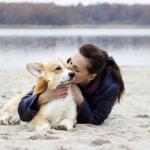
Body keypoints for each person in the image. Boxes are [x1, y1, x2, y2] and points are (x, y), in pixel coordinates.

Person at [18, 44, 125, 125]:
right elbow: (22, 111)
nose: (68, 69)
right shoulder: (62, 71)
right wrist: (41, 98)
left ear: (91, 77)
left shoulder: (110, 87)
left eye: (76, 69)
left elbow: (96, 119)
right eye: (70, 62)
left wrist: (80, 101)